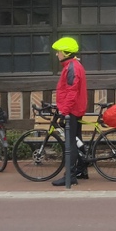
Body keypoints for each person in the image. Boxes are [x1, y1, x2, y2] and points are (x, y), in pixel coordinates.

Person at [51, 36, 88, 186]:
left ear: (65, 53)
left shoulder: (72, 67)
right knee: (77, 140)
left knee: (71, 143)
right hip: (75, 108)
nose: (56, 54)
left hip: (72, 110)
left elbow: (72, 92)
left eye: (58, 51)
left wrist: (64, 111)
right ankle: (82, 169)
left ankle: (70, 176)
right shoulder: (74, 65)